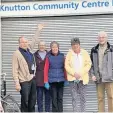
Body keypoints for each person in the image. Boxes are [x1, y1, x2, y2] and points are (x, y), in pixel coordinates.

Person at [12, 24, 44, 112]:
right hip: (24, 81)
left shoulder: (29, 49)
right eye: (22, 42)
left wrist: (38, 30)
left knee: (33, 101)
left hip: (32, 79)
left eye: (26, 42)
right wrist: (17, 83)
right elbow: (14, 70)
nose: (25, 43)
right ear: (19, 43)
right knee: (25, 101)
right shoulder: (17, 53)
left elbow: (34, 40)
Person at [65, 38, 91, 112]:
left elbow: (88, 64)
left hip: (83, 79)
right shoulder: (69, 54)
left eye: (76, 44)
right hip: (72, 79)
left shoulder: (85, 53)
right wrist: (74, 73)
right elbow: (66, 66)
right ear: (71, 46)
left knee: (83, 97)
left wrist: (81, 73)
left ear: (79, 45)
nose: (75, 46)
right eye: (73, 44)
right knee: (74, 97)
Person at [90, 31, 113, 112]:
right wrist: (92, 75)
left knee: (111, 97)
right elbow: (91, 64)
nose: (101, 39)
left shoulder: (111, 49)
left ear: (106, 38)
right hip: (98, 78)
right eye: (99, 37)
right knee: (100, 98)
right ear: (97, 39)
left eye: (103, 37)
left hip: (109, 78)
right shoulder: (94, 50)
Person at [44, 41, 67, 112]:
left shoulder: (62, 56)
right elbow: (45, 69)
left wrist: (66, 79)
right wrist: (46, 81)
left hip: (61, 80)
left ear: (58, 47)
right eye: (53, 47)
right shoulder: (48, 57)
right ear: (51, 48)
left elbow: (65, 68)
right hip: (52, 81)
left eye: (56, 47)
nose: (54, 48)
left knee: (60, 98)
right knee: (54, 98)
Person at [34, 41, 51, 112]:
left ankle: (47, 111)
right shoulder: (34, 55)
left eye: (43, 45)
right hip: (39, 80)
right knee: (39, 99)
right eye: (40, 45)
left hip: (48, 79)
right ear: (38, 46)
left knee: (48, 99)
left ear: (45, 46)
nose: (42, 46)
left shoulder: (49, 54)